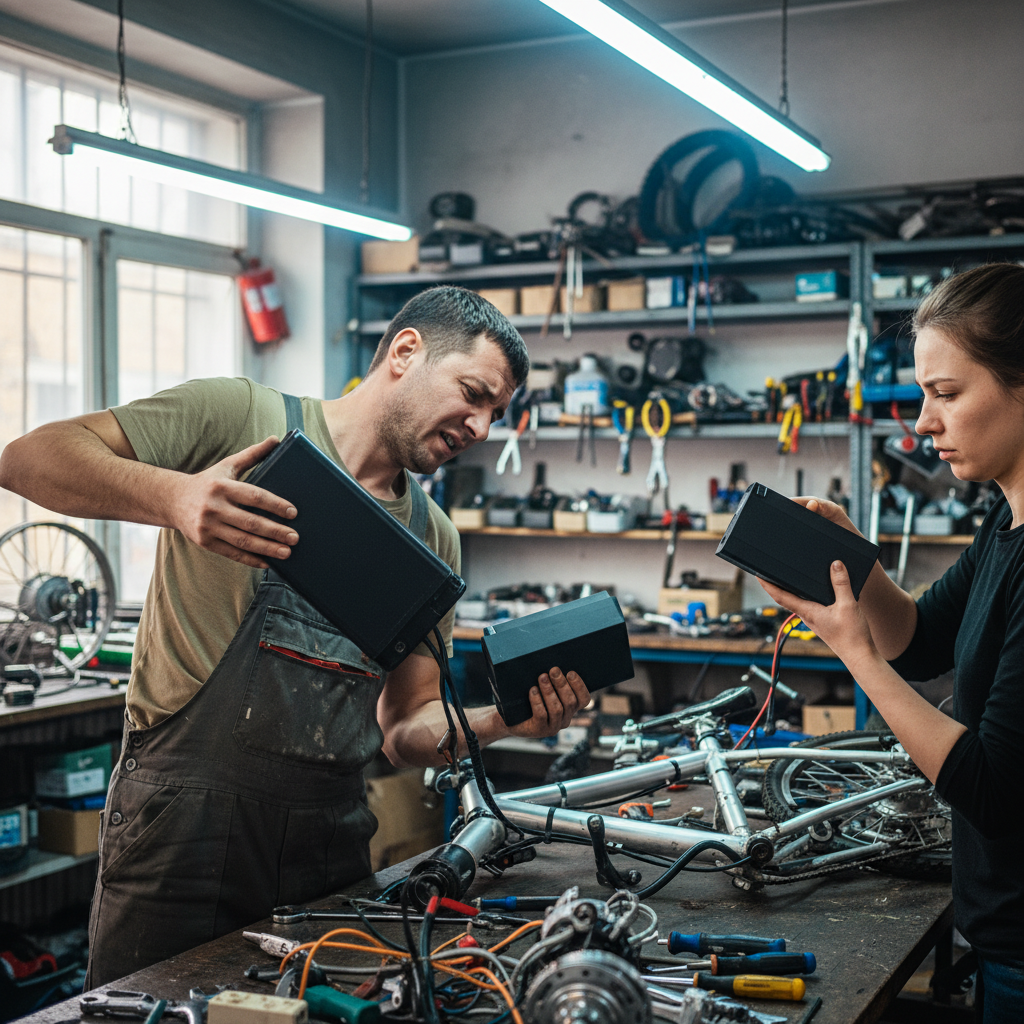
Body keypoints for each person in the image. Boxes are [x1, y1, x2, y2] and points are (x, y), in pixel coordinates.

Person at [0, 285, 592, 986]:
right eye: (474, 394)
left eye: (496, 413)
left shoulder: (431, 539)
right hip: (180, 833)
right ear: (405, 352)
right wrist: (176, 497)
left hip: (328, 846)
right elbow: (27, 459)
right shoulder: (241, 417)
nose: (483, 428)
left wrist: (501, 721)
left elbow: (405, 728)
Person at [757, 263, 1024, 1023]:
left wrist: (854, 655)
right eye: (921, 394)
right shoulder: (1004, 523)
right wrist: (856, 559)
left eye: (947, 393)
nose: (923, 423)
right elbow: (922, 640)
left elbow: (992, 787)